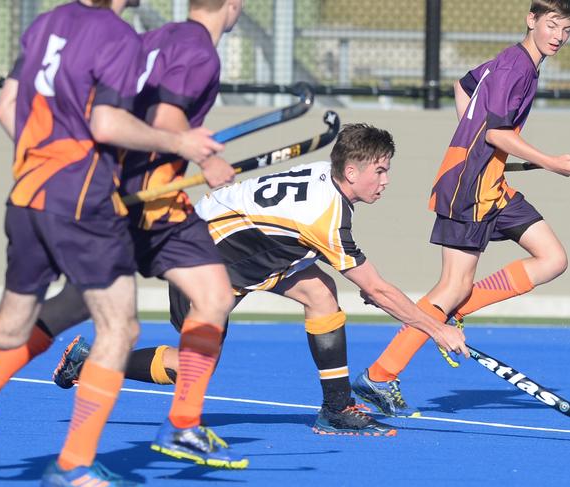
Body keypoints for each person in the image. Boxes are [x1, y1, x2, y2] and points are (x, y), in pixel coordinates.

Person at [0, 0, 224, 485]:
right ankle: (80, 463)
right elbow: (109, 125)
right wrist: (185, 146)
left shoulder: (47, 22)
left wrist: (50, 160)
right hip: (86, 201)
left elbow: (6, 108)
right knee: (121, 328)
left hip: (27, 194)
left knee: (9, 328)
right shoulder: (119, 36)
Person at [54, 123, 469, 436]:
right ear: (351, 169)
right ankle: (90, 361)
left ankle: (337, 407)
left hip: (254, 251)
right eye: (379, 171)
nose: (386, 180)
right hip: (203, 258)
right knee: (193, 367)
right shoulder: (327, 217)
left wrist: (373, 290)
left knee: (321, 293)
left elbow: (300, 242)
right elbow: (375, 287)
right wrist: (436, 330)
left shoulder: (324, 181)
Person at [350, 0, 570, 419]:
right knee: (450, 286)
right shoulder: (516, 67)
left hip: (493, 186)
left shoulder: (513, 61)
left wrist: (473, 140)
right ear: (532, 20)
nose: (558, 36)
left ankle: (452, 310)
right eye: (552, 25)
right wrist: (551, 162)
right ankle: (380, 375)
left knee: (552, 259)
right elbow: (496, 132)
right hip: (469, 188)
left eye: (567, 30)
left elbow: (463, 86)